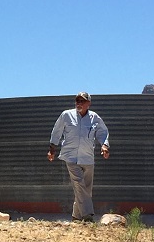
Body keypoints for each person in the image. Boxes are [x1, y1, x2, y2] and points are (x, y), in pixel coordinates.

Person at [47, 91, 110, 222]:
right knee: (78, 184)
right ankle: (87, 216)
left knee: (86, 189)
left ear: (89, 104)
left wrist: (104, 145)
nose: (79, 103)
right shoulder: (66, 115)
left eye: (82, 101)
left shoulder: (94, 118)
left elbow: (103, 131)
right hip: (70, 157)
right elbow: (57, 131)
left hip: (87, 157)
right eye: (77, 101)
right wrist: (52, 148)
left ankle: (76, 217)